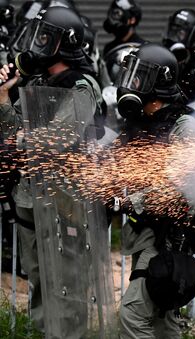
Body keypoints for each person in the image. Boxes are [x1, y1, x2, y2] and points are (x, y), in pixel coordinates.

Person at [0, 6, 104, 334]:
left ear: (60, 43)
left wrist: (20, 138)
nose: (37, 42)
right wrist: (3, 94)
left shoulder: (82, 87)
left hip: (65, 204)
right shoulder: (39, 82)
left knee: (68, 290)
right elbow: (11, 131)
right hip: (32, 200)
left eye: (44, 36)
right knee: (41, 287)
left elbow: (59, 138)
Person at [113, 43, 195, 339]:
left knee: (132, 314)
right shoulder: (140, 123)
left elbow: (181, 186)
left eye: (139, 78)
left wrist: (129, 201)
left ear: (158, 83)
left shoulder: (183, 128)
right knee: (163, 319)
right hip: (147, 233)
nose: (132, 84)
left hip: (170, 236)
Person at [162, 8, 195, 102]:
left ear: (193, 36)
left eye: (180, 33)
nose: (174, 37)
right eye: (172, 31)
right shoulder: (158, 58)